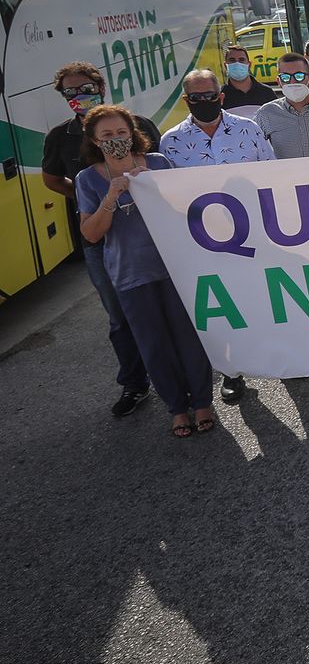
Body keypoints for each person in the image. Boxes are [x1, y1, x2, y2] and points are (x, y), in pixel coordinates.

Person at [75, 105, 215, 436]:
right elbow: (91, 234)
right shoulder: (87, 179)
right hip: (130, 275)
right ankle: (177, 408)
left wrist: (154, 187)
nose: (115, 139)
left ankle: (202, 403)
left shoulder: (158, 164)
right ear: (94, 140)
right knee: (153, 345)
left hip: (174, 269)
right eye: (107, 135)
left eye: (121, 132)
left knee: (190, 338)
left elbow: (184, 213)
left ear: (132, 133)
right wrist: (111, 197)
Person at [40, 62, 159, 417]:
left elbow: (161, 170)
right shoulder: (59, 137)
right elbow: (51, 179)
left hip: (151, 235)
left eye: (86, 88)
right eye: (70, 92)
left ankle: (186, 375)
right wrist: (88, 201)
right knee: (120, 317)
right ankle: (135, 383)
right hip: (100, 243)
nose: (79, 96)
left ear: (101, 88)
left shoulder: (137, 124)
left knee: (172, 305)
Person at [161, 69, 274, 403]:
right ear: (187, 100)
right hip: (204, 240)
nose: (204, 101)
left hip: (255, 232)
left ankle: (280, 357)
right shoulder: (170, 142)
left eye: (210, 96)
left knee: (264, 296)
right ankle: (231, 371)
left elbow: (272, 173)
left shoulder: (248, 129)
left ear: (221, 96)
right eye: (196, 98)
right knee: (224, 305)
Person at [255, 53, 309, 160]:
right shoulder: (266, 114)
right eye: (285, 77)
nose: (292, 82)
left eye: (299, 76)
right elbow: (253, 149)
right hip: (285, 171)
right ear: (279, 82)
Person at [220, 43, 276, 119]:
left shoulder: (266, 92)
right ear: (225, 65)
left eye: (241, 60)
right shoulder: (220, 96)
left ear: (249, 65)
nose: (237, 64)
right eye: (232, 60)